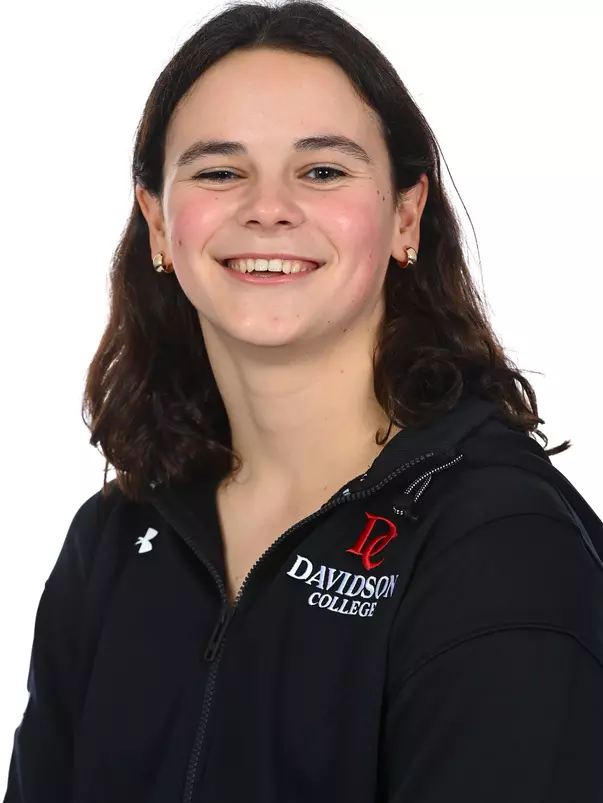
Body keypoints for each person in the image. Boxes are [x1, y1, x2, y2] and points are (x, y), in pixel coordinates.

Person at [4, 1, 603, 801]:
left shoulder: (497, 542)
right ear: (157, 223)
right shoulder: (114, 541)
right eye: (220, 171)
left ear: (405, 216)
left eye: (322, 170)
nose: (268, 206)